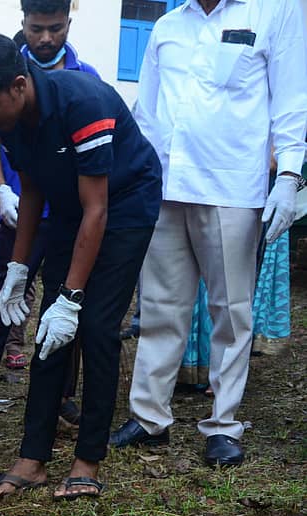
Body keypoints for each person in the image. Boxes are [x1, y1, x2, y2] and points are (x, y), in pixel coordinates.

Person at [0, 34, 162, 499]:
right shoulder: (8, 115)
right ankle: (33, 458)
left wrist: (73, 297)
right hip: (72, 207)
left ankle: (88, 459)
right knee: (51, 327)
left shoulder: (84, 104)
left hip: (124, 206)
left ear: (20, 85)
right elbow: (33, 191)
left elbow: (99, 210)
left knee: (97, 326)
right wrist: (19, 268)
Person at [110, 0, 307, 467]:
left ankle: (223, 424)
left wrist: (289, 175)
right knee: (160, 306)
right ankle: (150, 416)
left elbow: (291, 100)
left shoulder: (271, 13)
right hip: (167, 184)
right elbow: (148, 110)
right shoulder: (167, 26)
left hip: (232, 186)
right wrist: (140, 177)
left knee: (231, 311)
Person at [0, 0, 100, 429]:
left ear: (67, 24)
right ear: (23, 23)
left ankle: (61, 397)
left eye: (55, 28)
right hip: (20, 208)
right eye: (37, 28)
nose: (45, 38)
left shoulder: (85, 77)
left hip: (67, 212)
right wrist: (2, 189)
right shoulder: (2, 70)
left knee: (64, 301)